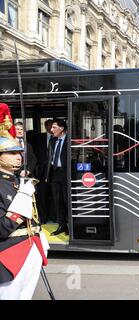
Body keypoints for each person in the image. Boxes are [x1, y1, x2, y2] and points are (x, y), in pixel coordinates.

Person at [0, 103, 49, 300]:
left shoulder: (19, 181)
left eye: (19, 152)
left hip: (31, 249)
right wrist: (22, 199)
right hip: (8, 254)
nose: (18, 157)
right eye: (11, 153)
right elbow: (2, 228)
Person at [47, 119, 69, 236]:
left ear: (61, 128)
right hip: (55, 173)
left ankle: (71, 226)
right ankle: (61, 225)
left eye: (54, 127)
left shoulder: (70, 140)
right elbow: (49, 157)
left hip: (67, 173)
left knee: (67, 200)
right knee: (57, 200)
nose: (51, 130)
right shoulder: (52, 140)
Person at [31, 119, 54, 223]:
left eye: (52, 126)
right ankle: (43, 218)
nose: (51, 128)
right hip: (41, 172)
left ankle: (55, 217)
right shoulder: (38, 138)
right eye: (49, 126)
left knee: (55, 196)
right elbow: (33, 154)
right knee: (41, 196)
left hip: (55, 172)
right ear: (45, 127)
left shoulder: (60, 138)